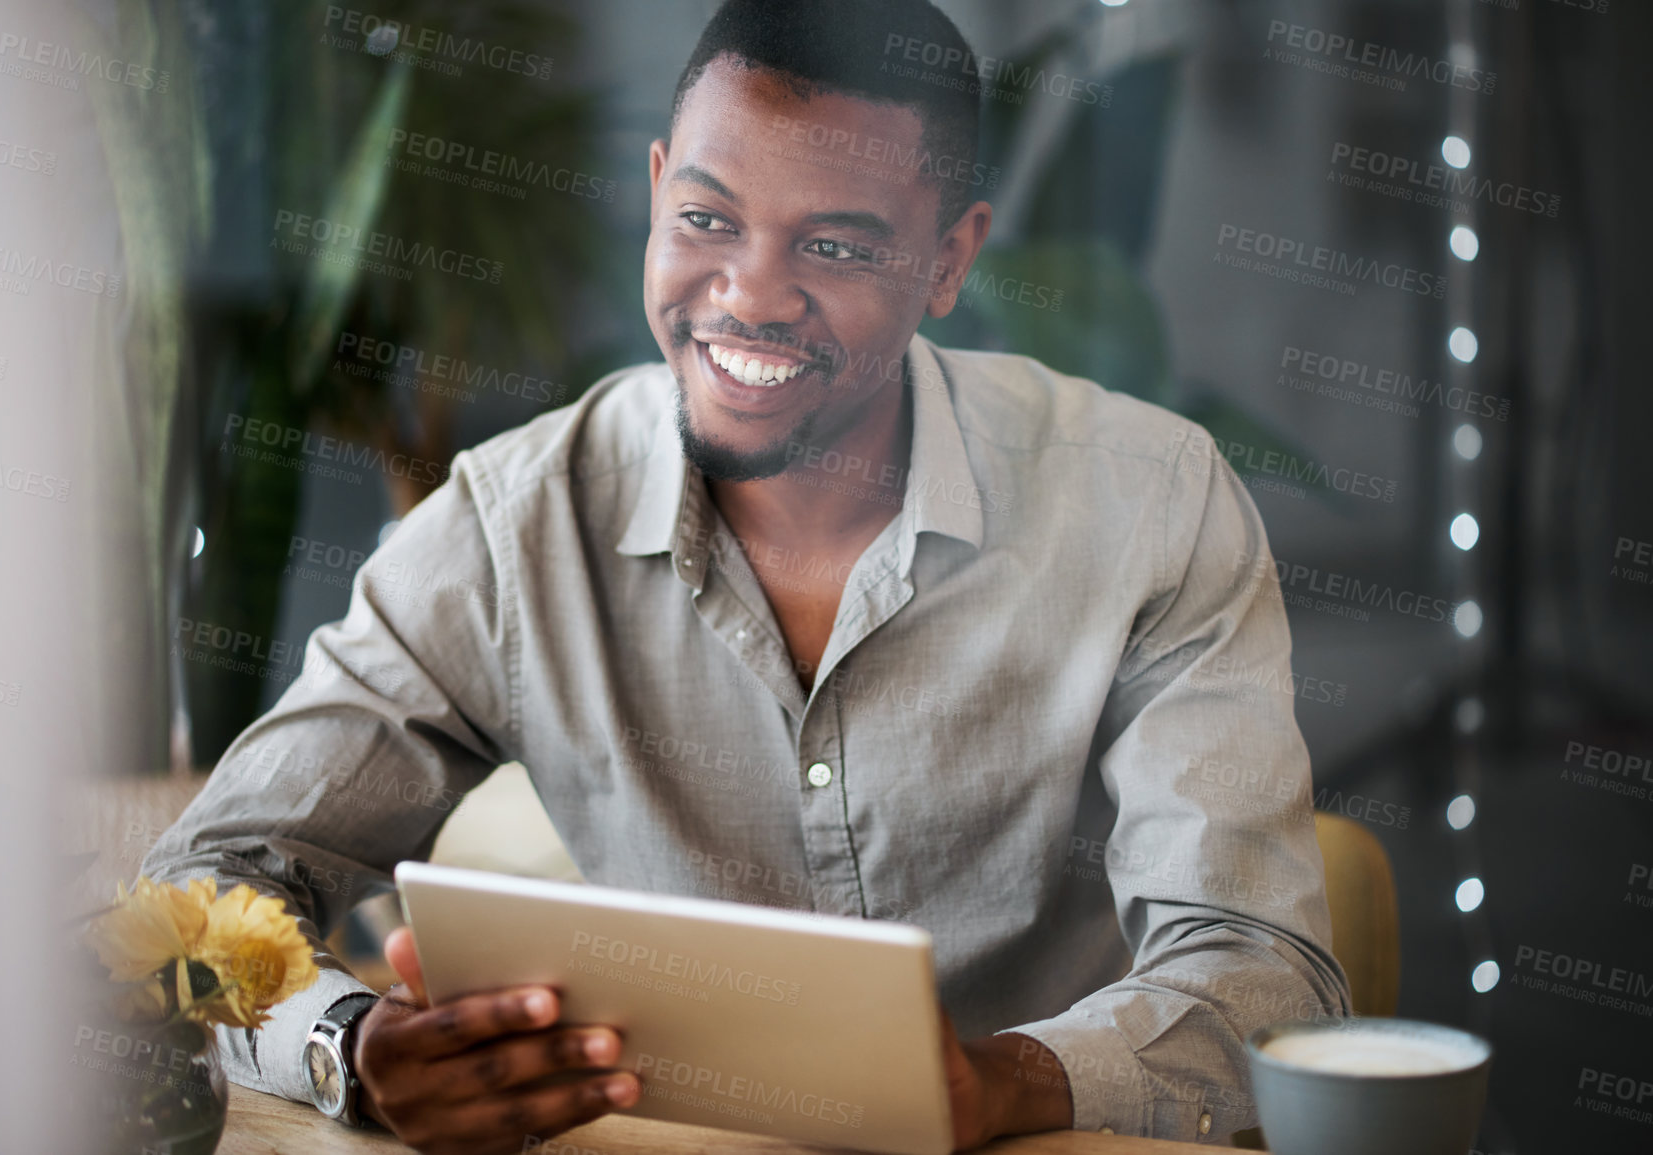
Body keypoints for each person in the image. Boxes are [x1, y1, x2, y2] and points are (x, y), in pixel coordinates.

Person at [145, 0, 1350, 1150]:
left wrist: (997, 1085)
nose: (750, 297)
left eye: (834, 243)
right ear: (660, 190)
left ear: (948, 260)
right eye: (709, 220)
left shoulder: (1149, 499)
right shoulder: (513, 523)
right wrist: (347, 1049)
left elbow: (1263, 978)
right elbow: (194, 897)